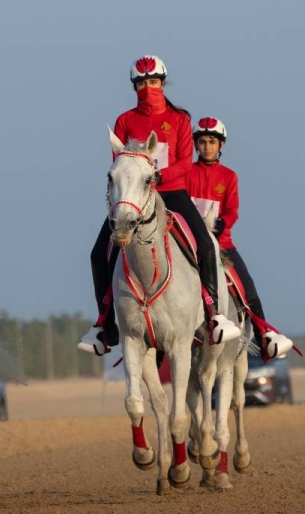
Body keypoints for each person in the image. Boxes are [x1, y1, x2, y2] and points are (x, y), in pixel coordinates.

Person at [78, 56, 241, 356]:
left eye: (153, 82)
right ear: (134, 86)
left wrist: (159, 176)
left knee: (205, 245)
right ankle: (105, 325)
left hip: (172, 193)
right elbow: (120, 166)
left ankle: (214, 314)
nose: (147, 88)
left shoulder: (180, 119)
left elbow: (184, 162)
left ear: (162, 84)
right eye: (141, 83)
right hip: (136, 200)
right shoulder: (124, 121)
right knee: (98, 254)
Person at [187, 116, 293, 361]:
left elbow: (232, 209)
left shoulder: (229, 176)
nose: (207, 147)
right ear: (196, 144)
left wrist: (223, 223)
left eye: (212, 141)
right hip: (191, 245)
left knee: (247, 286)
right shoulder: (187, 173)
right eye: (202, 141)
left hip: (222, 244)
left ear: (221, 145)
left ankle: (264, 335)